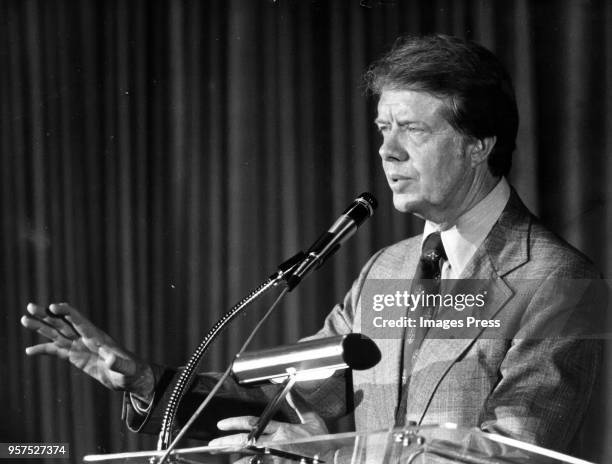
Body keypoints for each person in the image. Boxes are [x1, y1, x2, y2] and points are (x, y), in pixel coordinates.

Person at [21, 34, 604, 456]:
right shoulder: (388, 269)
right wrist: (149, 382)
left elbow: (512, 451)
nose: (388, 152)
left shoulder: (556, 280)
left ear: (479, 145)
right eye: (383, 129)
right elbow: (297, 397)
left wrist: (332, 456)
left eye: (414, 129)